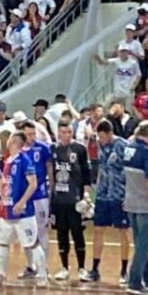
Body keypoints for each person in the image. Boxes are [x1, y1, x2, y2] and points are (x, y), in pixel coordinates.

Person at [0, 132, 47, 287]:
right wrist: (1, 200)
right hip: (7, 210)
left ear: (14, 141)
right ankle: (1, 274)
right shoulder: (8, 160)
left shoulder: (24, 160)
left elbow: (33, 184)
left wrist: (22, 201)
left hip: (23, 213)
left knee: (32, 243)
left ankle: (43, 275)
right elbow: (6, 184)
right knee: (2, 242)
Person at [121, 120, 148, 295]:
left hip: (131, 202)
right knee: (144, 245)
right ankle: (134, 281)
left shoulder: (129, 149)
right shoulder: (147, 153)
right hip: (145, 205)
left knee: (140, 243)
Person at [88, 119, 130, 285]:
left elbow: (130, 171)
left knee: (123, 231)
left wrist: (128, 195)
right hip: (103, 194)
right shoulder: (99, 144)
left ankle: (124, 270)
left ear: (110, 133)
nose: (101, 140)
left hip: (119, 194)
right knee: (98, 229)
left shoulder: (123, 146)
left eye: (103, 137)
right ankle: (95, 269)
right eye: (99, 137)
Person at [50, 121, 91, 282]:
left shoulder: (80, 149)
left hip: (75, 200)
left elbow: (86, 174)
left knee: (77, 233)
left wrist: (86, 195)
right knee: (61, 233)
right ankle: (64, 267)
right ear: (58, 133)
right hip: (59, 200)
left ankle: (82, 268)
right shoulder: (52, 150)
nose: (66, 135)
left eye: (69, 132)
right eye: (63, 132)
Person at [19, 120, 53, 280]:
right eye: (28, 134)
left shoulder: (43, 148)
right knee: (26, 231)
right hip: (24, 195)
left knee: (41, 230)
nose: (31, 137)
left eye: (33, 134)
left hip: (40, 195)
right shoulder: (18, 150)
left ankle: (43, 266)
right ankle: (30, 265)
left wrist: (51, 187)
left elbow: (49, 168)